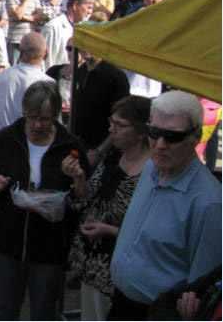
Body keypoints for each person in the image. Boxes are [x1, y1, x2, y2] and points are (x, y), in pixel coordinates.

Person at [0, 81, 88, 320]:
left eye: (45, 119)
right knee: (5, 310)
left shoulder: (71, 146)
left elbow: (83, 200)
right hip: (7, 242)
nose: (38, 125)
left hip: (49, 247)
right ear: (24, 112)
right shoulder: (6, 138)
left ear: (56, 115)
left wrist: (78, 178)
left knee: (44, 311)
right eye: (32, 117)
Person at [109, 91, 221, 320]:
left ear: (196, 137)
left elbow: (204, 284)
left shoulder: (209, 203)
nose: (160, 145)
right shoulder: (152, 167)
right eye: (154, 133)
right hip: (120, 302)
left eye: (172, 137)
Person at [63, 95, 151, 321]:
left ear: (142, 131)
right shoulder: (112, 157)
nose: (112, 129)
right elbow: (85, 199)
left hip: (121, 272)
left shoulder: (152, 173)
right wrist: (79, 178)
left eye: (120, 125)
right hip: (91, 263)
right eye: (111, 122)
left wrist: (109, 230)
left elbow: (151, 232)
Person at [72, 46, 130, 158]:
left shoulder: (115, 76)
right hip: (79, 145)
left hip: (102, 149)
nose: (85, 47)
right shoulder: (80, 71)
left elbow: (121, 119)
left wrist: (99, 151)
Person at [0, 32, 53, 133]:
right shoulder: (47, 83)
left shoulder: (1, 76)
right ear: (46, 53)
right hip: (24, 142)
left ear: (20, 50)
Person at [40, 0, 94, 71]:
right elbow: (45, 62)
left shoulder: (82, 29)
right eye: (88, 7)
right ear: (75, 5)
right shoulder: (53, 27)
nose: (90, 12)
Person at [5, 0, 40, 64]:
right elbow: (18, 15)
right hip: (16, 39)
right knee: (15, 67)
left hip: (30, 39)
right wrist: (25, 0)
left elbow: (39, 15)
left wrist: (25, 17)